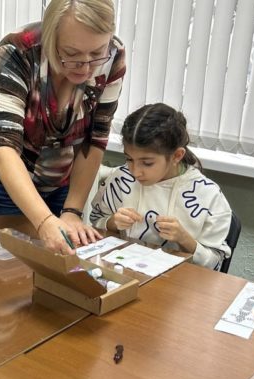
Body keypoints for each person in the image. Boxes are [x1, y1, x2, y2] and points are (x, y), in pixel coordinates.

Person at [0, 0, 126, 254]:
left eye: (96, 53)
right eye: (72, 54)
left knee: (62, 253)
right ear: (51, 37)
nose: (87, 66)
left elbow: (96, 137)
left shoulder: (113, 55)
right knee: (19, 256)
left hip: (62, 174)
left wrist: (72, 211)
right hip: (9, 173)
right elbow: (4, 145)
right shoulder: (17, 52)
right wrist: (44, 221)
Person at [89, 103, 232, 269]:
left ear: (177, 156)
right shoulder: (120, 180)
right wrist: (112, 223)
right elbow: (96, 223)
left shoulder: (208, 195)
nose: (135, 172)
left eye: (147, 163)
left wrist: (183, 238)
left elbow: (214, 262)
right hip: (125, 273)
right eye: (129, 159)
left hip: (179, 283)